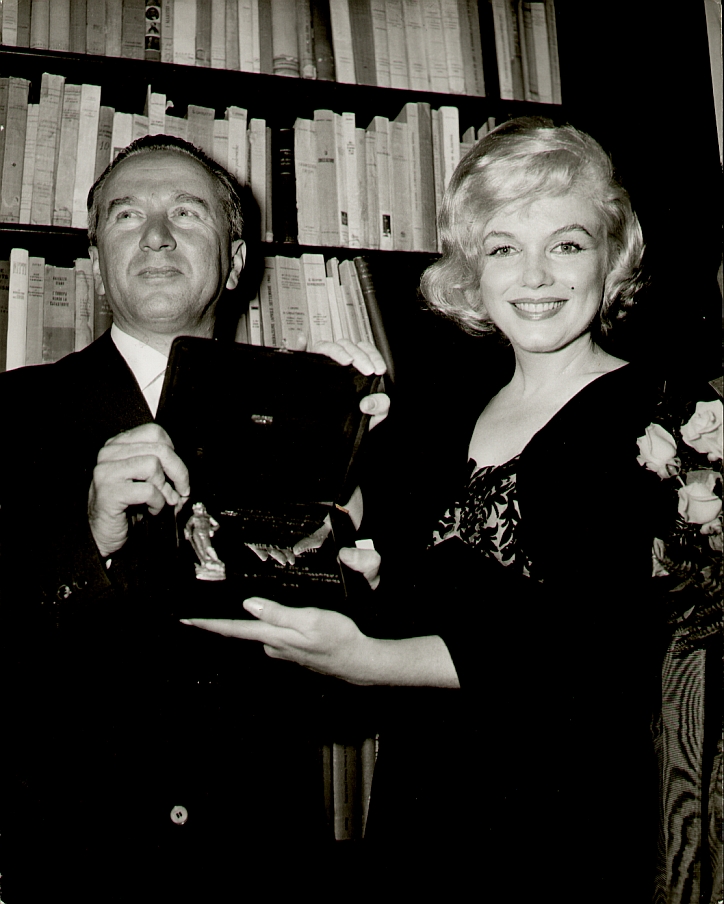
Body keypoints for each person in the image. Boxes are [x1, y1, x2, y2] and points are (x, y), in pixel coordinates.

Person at [182, 118, 723, 899]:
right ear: (471, 270)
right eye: (503, 248)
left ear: (612, 259)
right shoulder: (438, 418)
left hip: (566, 827)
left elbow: (599, 650)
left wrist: (371, 659)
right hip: (422, 811)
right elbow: (381, 593)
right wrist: (327, 441)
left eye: (567, 245)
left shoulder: (667, 414)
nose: (535, 276)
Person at [0, 134, 388, 900]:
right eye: (126, 215)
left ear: (236, 262)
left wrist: (357, 546)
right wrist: (91, 541)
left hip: (258, 866)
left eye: (186, 213)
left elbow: (344, 706)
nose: (155, 236)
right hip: (72, 866)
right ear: (96, 263)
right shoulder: (7, 416)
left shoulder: (311, 418)